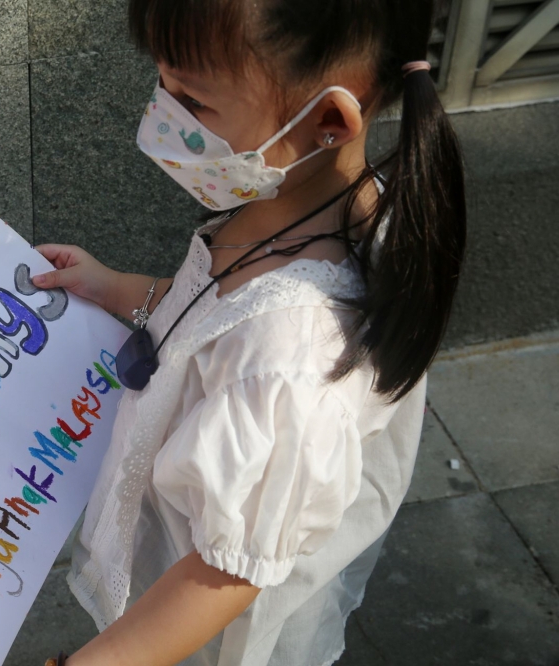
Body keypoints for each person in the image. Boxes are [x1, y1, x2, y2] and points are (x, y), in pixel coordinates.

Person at [31, 1, 466, 665]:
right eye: (162, 83)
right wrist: (116, 287)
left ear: (327, 120)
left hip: (203, 640)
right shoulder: (296, 207)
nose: (164, 113)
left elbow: (227, 569)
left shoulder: (293, 357)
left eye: (194, 101)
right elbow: (209, 321)